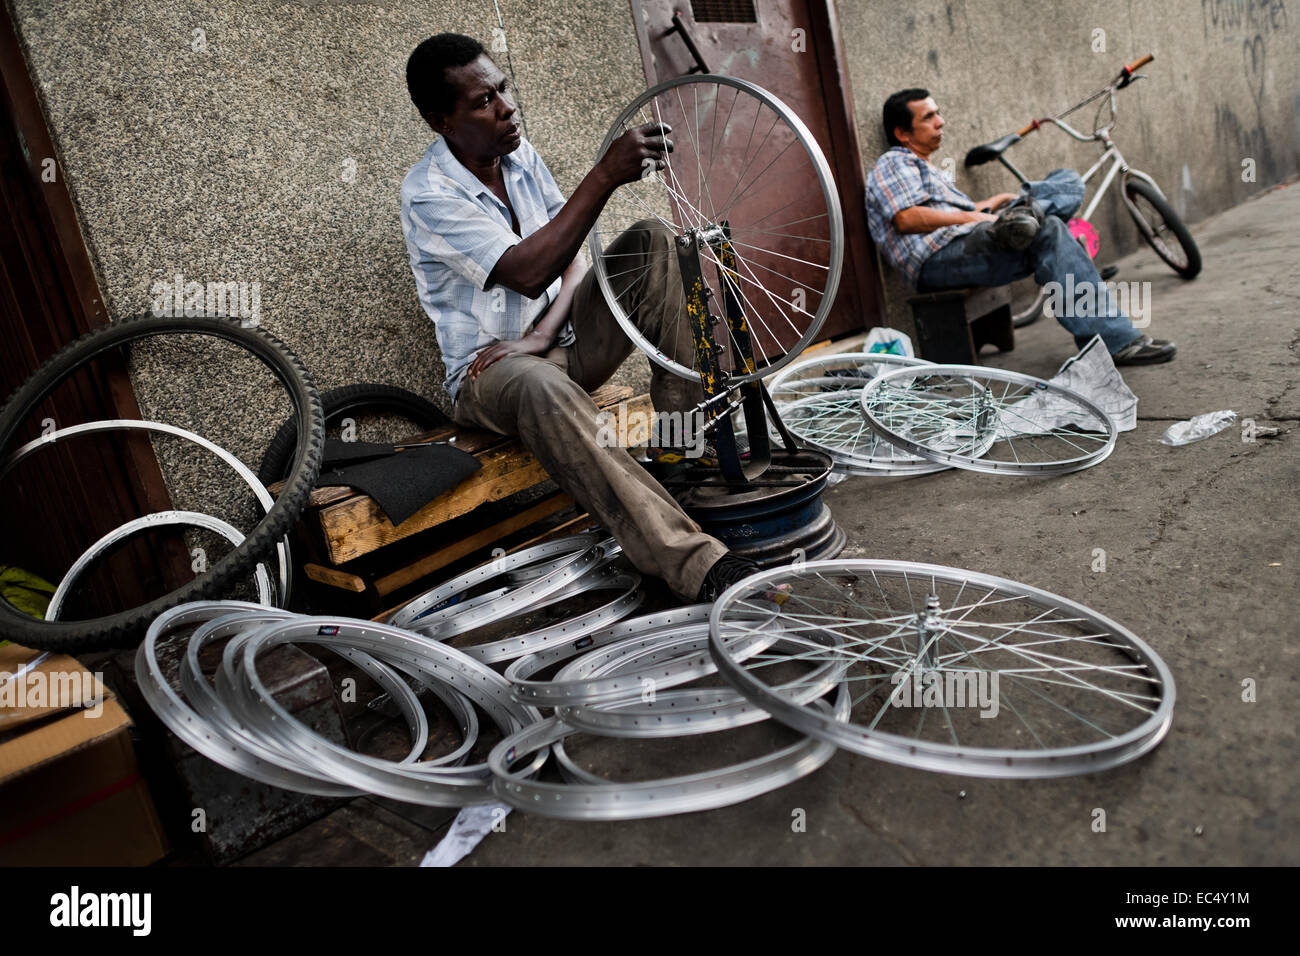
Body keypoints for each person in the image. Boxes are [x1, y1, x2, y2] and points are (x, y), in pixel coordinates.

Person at [400, 33, 758, 602]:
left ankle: (681, 458)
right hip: (491, 374)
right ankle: (694, 564)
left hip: (558, 341)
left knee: (652, 242)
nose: (506, 107)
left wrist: (542, 333)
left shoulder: (519, 155)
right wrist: (603, 175)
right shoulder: (428, 194)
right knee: (540, 383)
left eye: (503, 89)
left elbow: (570, 256)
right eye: (482, 102)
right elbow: (528, 270)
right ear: (440, 120)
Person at [865, 88, 1176, 365]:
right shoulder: (895, 162)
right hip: (936, 261)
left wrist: (992, 203)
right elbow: (906, 218)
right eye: (929, 117)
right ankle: (1115, 341)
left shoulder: (927, 169)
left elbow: (957, 213)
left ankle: (1025, 216)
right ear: (903, 133)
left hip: (970, 241)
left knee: (1065, 183)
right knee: (1052, 225)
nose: (941, 121)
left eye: (938, 113)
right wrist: (977, 217)